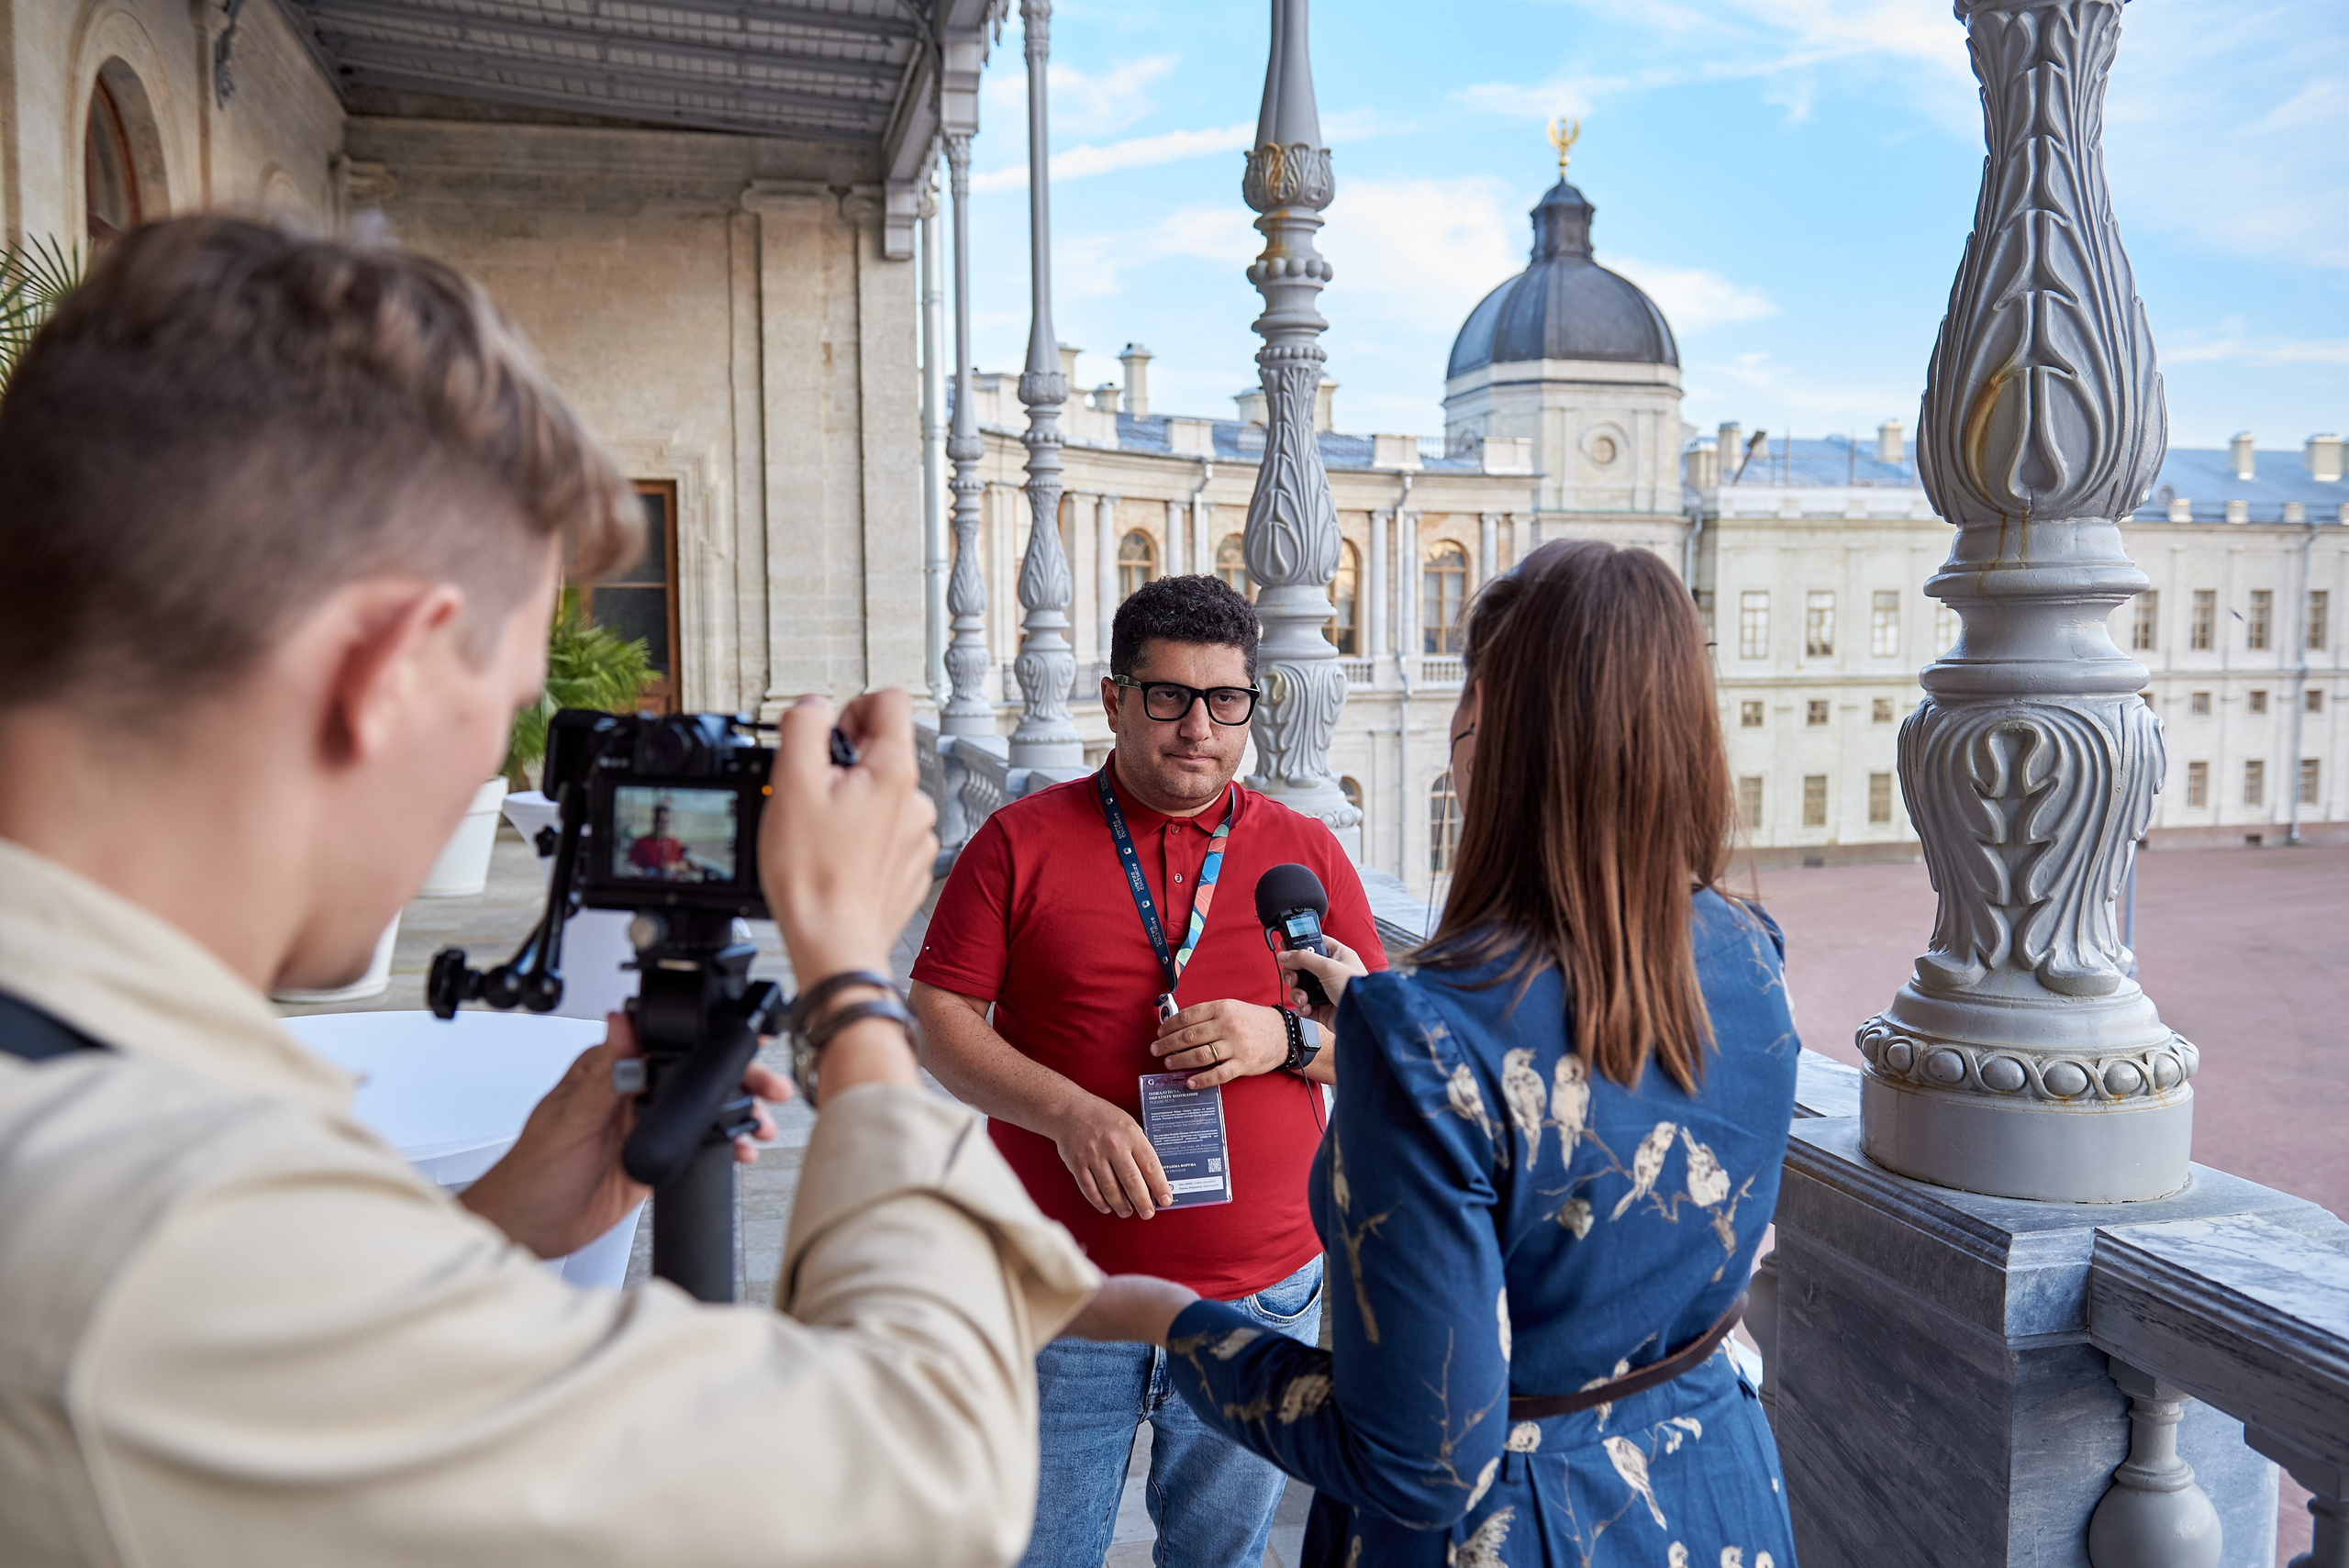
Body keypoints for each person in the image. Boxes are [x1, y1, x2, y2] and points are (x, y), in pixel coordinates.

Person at [0, 217, 1097, 1566]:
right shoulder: (157, 1218)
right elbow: (922, 1484)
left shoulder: (91, 1121)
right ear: (393, 671)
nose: (504, 758)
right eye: (513, 707)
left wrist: (492, 1229)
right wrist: (854, 990)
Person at [1067, 540, 1803, 1568]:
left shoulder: (1424, 1037)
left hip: (1524, 1529)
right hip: (1715, 1486)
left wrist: (1174, 1321)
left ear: (1491, 738)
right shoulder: (1745, 948)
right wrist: (1369, 1007)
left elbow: (1415, 1457)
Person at [910, 573, 1386, 1568]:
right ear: (1113, 696)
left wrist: (1284, 1040)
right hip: (1062, 1283)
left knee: (1221, 1557)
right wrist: (1068, 1112)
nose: (1197, 728)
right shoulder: (1017, 839)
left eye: (1225, 700)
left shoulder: (1305, 853)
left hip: (1257, 1294)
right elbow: (940, 1016)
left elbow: (1390, 1046)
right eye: (1166, 695)